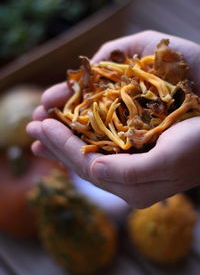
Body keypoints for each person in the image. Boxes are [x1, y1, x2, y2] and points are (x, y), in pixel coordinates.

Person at [26, 30, 200, 208]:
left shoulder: (145, 89)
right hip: (109, 124)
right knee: (100, 125)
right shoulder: (102, 96)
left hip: (135, 121)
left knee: (121, 135)